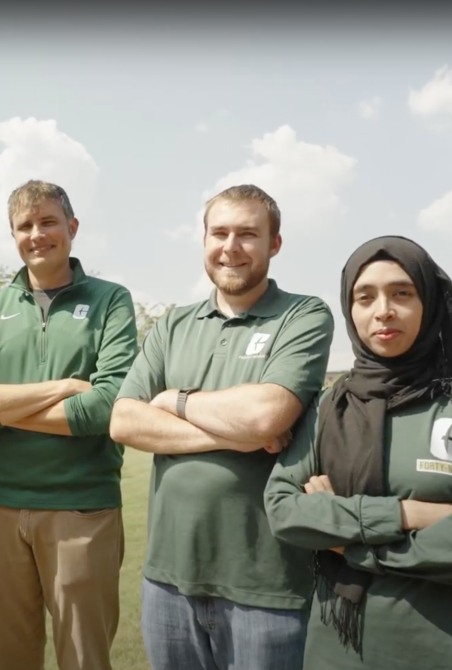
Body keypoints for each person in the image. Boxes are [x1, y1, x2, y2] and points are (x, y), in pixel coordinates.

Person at [264, 235, 452, 670]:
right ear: (351, 312)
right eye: (365, 297)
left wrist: (351, 545)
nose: (382, 310)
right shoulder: (330, 405)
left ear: (430, 302)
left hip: (447, 649)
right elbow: (283, 509)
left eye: (402, 293)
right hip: (335, 651)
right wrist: (407, 514)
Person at [109, 184, 334, 670]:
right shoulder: (173, 325)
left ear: (274, 243)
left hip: (266, 584)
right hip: (168, 581)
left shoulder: (304, 314)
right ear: (204, 239)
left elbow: (266, 416)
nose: (231, 246)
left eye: (248, 234)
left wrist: (174, 400)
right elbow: (124, 419)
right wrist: (233, 432)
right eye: (220, 232)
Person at [0, 179, 138, 670]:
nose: (37, 234)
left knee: (84, 659)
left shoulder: (112, 301)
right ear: (13, 235)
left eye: (48, 221)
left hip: (81, 508)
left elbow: (105, 408)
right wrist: (65, 387)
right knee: (8, 659)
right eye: (24, 225)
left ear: (71, 227)